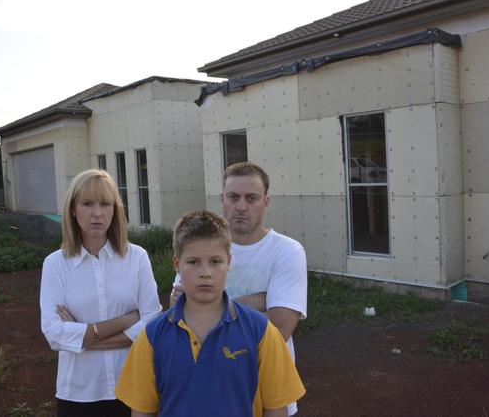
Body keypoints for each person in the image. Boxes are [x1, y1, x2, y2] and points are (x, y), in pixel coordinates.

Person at [116, 210, 305, 417]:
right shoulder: (152, 337)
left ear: (229, 263)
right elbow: (142, 412)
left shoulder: (261, 332)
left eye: (215, 262)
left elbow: (276, 409)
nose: (205, 272)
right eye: (193, 262)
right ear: (177, 265)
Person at [170, 162, 308, 415]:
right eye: (233, 197)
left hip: (268, 395)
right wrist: (256, 302)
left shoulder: (286, 251)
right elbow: (178, 318)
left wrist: (205, 308)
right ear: (222, 199)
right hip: (205, 393)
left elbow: (280, 328)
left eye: (252, 198)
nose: (241, 206)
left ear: (266, 202)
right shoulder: (201, 245)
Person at [40, 169, 161, 417]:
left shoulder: (136, 257)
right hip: (78, 393)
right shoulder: (55, 264)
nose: (97, 213)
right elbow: (54, 333)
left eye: (105, 204)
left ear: (115, 209)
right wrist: (125, 321)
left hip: (133, 387)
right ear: (73, 209)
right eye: (87, 204)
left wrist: (86, 339)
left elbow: (153, 322)